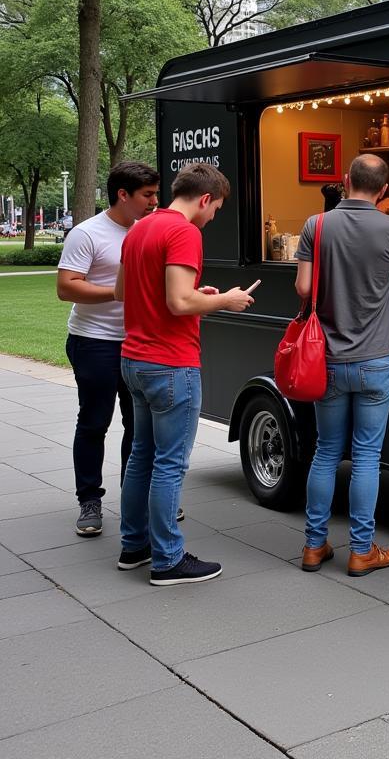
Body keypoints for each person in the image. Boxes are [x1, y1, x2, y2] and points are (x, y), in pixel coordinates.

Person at [114, 163, 253, 586]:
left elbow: (124, 291)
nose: (213, 218)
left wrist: (200, 295)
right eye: (216, 209)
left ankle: (133, 546)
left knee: (142, 456)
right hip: (170, 364)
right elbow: (177, 302)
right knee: (170, 464)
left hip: (133, 360)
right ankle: (168, 560)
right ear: (205, 198)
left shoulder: (139, 228)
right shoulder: (184, 232)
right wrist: (225, 299)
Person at [296, 153, 389, 577]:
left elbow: (303, 286)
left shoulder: (317, 225)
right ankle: (362, 550)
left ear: (345, 180)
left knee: (326, 451)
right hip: (376, 358)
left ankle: (314, 546)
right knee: (367, 456)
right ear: (383, 190)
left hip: (326, 358)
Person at [57, 162, 160, 536]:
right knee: (94, 422)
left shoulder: (148, 230)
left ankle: (135, 498)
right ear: (123, 195)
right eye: (147, 195)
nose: (154, 201)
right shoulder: (87, 234)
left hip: (138, 342)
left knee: (139, 426)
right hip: (94, 342)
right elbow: (67, 287)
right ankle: (89, 500)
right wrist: (116, 293)